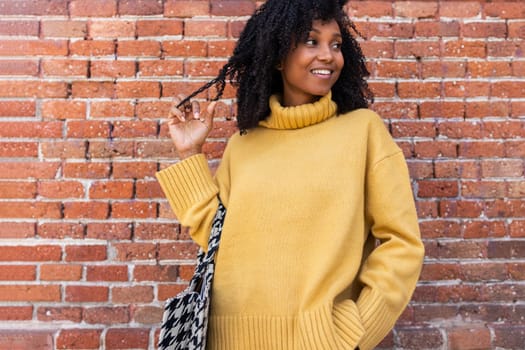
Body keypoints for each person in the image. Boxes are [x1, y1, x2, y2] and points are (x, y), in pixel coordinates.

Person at [155, 0, 425, 349]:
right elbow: (218, 237)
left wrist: (357, 329)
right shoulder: (244, 144)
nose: (329, 55)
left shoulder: (363, 132)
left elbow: (402, 243)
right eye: (312, 41)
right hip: (228, 338)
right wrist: (189, 153)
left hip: (318, 340)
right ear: (279, 56)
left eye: (336, 44)